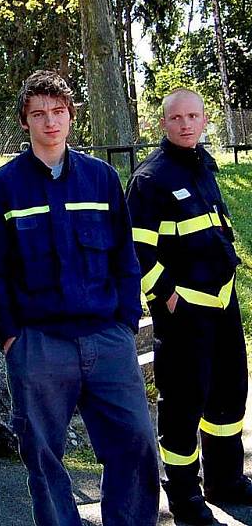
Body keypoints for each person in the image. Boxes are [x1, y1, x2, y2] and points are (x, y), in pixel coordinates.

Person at [0, 70, 159, 526]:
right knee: (44, 456)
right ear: (24, 121)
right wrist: (12, 337)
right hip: (38, 344)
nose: (50, 122)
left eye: (58, 112)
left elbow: (125, 258)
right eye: (39, 114)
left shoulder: (102, 179)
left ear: (71, 117)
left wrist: (126, 322)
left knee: (136, 442)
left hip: (106, 337)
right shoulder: (3, 186)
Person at [126, 88, 252, 524]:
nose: (185, 124)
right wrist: (168, 296)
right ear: (163, 123)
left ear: (203, 120)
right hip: (184, 314)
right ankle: (184, 498)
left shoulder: (203, 167)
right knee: (182, 406)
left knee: (229, 394)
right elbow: (136, 252)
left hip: (223, 304)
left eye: (193, 116)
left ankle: (226, 479)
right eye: (176, 117)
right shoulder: (150, 179)